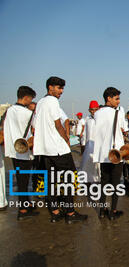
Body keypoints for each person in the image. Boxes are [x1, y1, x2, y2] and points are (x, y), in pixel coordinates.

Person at [33, 77, 87, 223]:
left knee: (51, 181)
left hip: (44, 150)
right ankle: (70, 213)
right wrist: (66, 140)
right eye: (59, 88)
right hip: (58, 149)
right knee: (69, 180)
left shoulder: (40, 103)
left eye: (62, 88)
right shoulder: (52, 101)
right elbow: (59, 124)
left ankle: (55, 212)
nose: (61, 91)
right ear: (50, 87)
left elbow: (34, 126)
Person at [3, 86, 40, 220]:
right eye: (30, 99)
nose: (31, 102)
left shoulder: (9, 111)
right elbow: (36, 130)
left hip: (14, 151)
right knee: (24, 181)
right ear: (26, 97)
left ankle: (26, 203)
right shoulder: (28, 114)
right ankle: (23, 210)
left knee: (20, 179)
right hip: (25, 151)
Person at [93, 87, 126, 220]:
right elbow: (123, 129)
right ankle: (113, 211)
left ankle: (102, 210)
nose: (118, 101)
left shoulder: (97, 113)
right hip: (116, 153)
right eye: (116, 98)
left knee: (103, 183)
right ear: (109, 98)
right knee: (116, 184)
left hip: (103, 154)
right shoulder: (119, 113)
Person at [79, 100, 100, 184]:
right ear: (89, 110)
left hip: (97, 145)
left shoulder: (101, 119)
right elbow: (85, 132)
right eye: (91, 110)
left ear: (98, 109)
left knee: (97, 164)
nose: (93, 111)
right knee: (86, 163)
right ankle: (86, 180)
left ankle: (98, 180)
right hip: (88, 145)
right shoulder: (87, 119)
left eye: (95, 109)